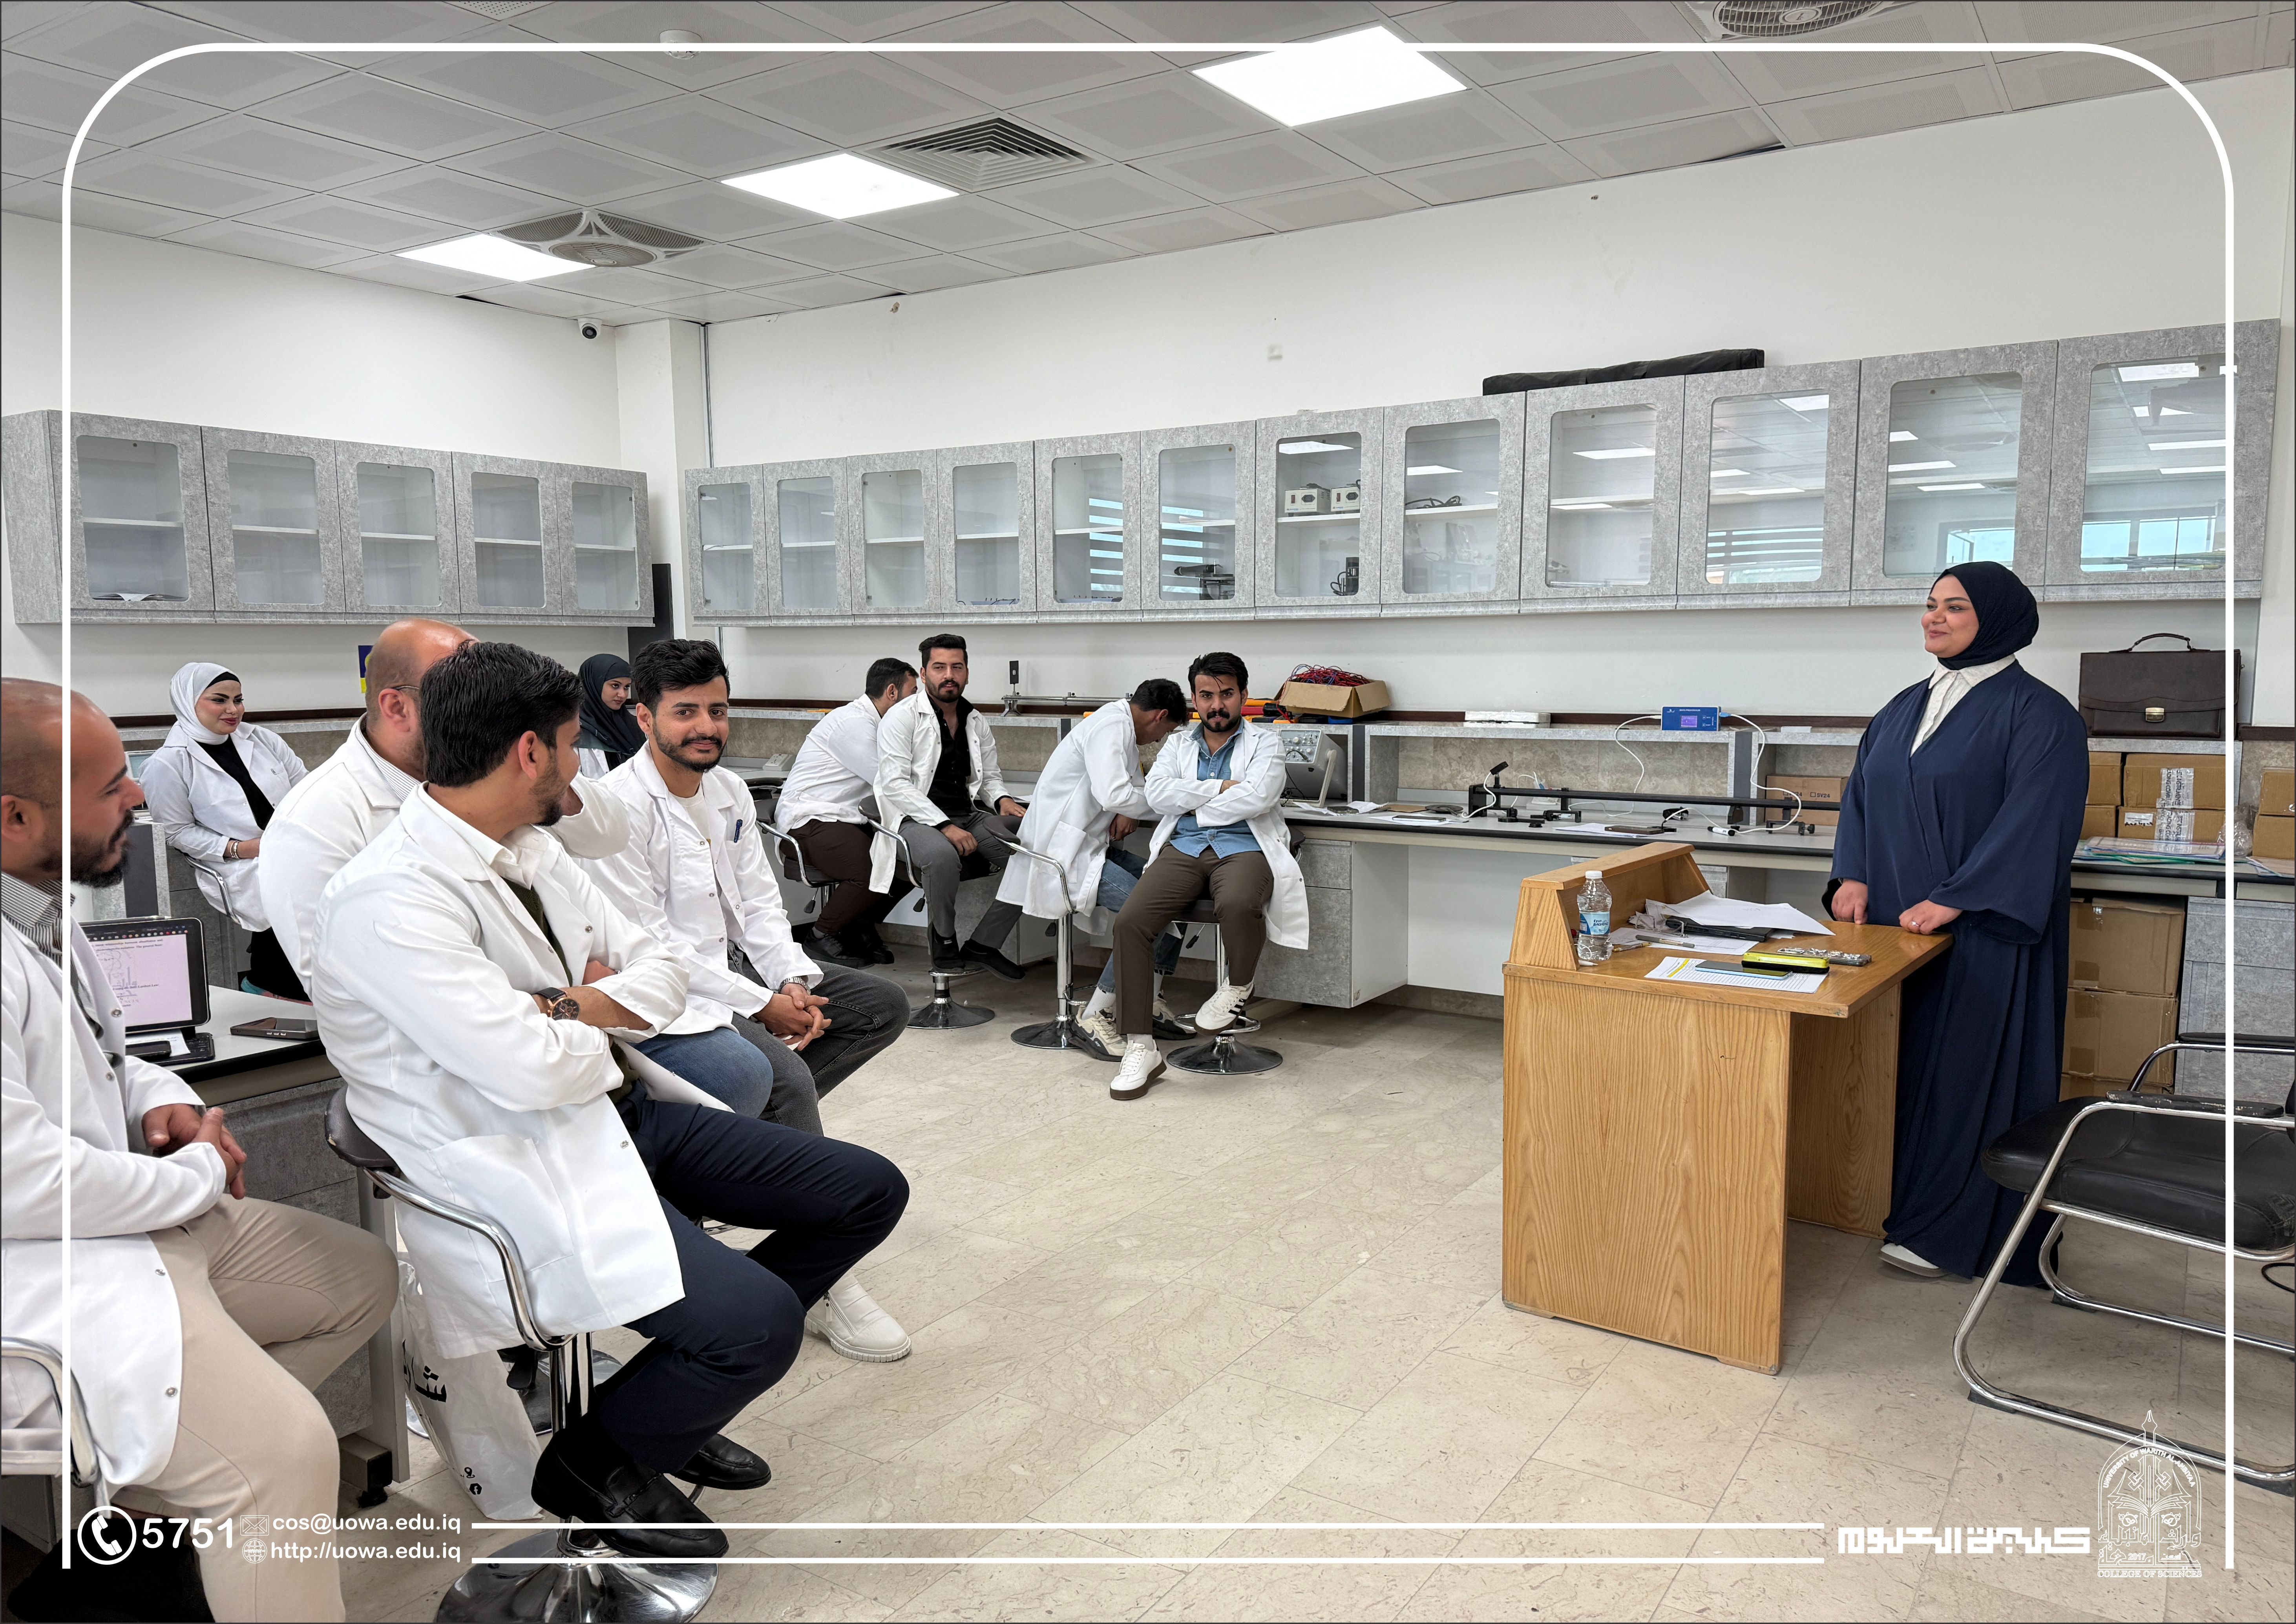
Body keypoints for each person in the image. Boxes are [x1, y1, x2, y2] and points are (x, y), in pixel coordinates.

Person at [311, 642, 908, 1559]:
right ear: (530, 754)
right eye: (568, 747)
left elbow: (660, 968)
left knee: (866, 1190)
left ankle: (653, 1404)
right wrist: (596, 1005)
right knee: (758, 1325)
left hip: (613, 1117)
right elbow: (534, 1074)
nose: (578, 769)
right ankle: (597, 1463)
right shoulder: (388, 899)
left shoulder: (530, 850)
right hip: (518, 1158)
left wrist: (564, 1006)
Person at [2, 680, 396, 1624]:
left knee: (359, 1276)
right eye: (111, 787)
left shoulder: (40, 915)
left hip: (124, 1228)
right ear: (14, 817)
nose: (140, 797)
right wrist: (196, 1173)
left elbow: (110, 1054)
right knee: (285, 1454)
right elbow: (24, 1183)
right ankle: (223, 1489)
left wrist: (171, 1103)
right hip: (45, 1267)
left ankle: (150, 1522)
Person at [581, 639, 914, 1362]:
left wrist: (790, 980)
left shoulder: (728, 791)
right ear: (644, 717)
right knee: (782, 1076)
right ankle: (826, 1277)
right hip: (667, 994)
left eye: (718, 710)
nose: (707, 726)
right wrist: (758, 1004)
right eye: (686, 712)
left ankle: (742, 1156)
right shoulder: (617, 809)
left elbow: (760, 904)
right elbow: (653, 948)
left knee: (879, 1006)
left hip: (738, 976)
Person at [1828, 563, 2089, 1284]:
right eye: (1929, 604)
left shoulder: (2041, 716)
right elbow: (1861, 796)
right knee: (1894, 1068)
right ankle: (1881, 1199)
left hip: (1983, 933)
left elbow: (2038, 820)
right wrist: (1852, 874)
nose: (1932, 618)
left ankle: (1953, 1231)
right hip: (1894, 932)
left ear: (1997, 619)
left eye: (1954, 607)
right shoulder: (1902, 707)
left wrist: (1959, 897)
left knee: (1965, 1078)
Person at [259, 617, 628, 990]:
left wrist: (547, 772)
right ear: (398, 708)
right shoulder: (311, 822)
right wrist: (570, 994)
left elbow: (609, 836)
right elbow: (337, 982)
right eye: (464, 688)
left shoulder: (512, 762)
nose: (491, 701)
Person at [1106, 653, 1310, 1102]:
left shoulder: (1267, 743)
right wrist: (1220, 789)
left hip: (1244, 847)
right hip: (1183, 849)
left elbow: (1258, 798)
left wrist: (1192, 804)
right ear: (1194, 699)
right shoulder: (1177, 745)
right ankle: (1140, 1046)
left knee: (1237, 903)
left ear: (1242, 695)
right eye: (1206, 696)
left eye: (1226, 694)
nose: (1216, 705)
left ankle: (1237, 985)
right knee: (1130, 923)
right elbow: (1158, 795)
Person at [995, 680, 1195, 1060]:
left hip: (1089, 847)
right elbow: (1114, 794)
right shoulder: (1110, 726)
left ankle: (1147, 1004)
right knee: (1148, 915)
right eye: (1165, 732)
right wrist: (1177, 804)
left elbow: (1128, 788)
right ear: (1159, 716)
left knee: (1174, 893)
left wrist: (1131, 806)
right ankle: (1093, 1016)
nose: (1158, 741)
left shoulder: (1121, 726)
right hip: (1064, 853)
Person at [140, 662, 309, 999]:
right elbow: (177, 833)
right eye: (220, 700)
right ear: (188, 702)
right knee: (295, 885)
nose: (233, 710)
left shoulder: (264, 740)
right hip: (237, 859)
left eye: (238, 699)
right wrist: (242, 848)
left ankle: (291, 985)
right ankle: (273, 985)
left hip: (291, 843)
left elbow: (308, 789)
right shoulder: (167, 764)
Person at [875, 633, 1029, 979]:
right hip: (912, 818)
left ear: (967, 673)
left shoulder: (975, 720)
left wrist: (1002, 800)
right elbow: (895, 784)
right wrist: (944, 826)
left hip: (968, 815)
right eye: (939, 667)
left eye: (957, 667)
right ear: (923, 673)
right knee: (942, 856)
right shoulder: (901, 718)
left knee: (1031, 859)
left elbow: (989, 777)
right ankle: (944, 939)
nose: (949, 675)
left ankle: (984, 944)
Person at [774, 657, 917, 969]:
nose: (918, 704)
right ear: (892, 692)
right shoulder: (854, 724)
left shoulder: (881, 725)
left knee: (909, 861)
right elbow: (890, 781)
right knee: (871, 870)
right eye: (913, 694)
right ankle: (820, 936)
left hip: (845, 818)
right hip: (810, 819)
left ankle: (856, 925)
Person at [575, 652, 647, 778]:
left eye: (627, 687)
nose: (623, 695)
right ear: (594, 684)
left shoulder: (636, 726)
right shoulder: (575, 731)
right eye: (615, 686)